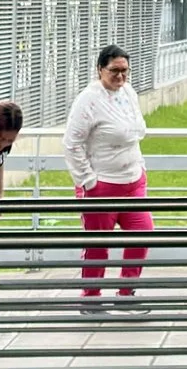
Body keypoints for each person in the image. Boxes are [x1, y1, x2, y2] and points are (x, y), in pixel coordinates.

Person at [64, 43, 150, 304]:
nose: (121, 77)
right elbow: (71, 143)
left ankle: (126, 292)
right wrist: (88, 181)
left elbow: (134, 135)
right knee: (98, 246)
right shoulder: (89, 100)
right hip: (102, 185)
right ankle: (91, 297)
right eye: (114, 71)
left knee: (143, 233)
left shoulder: (129, 93)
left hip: (133, 181)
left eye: (125, 71)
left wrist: (141, 167)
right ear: (100, 69)